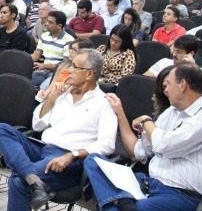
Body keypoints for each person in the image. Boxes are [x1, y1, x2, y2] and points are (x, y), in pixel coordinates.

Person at [0, 49, 117, 211]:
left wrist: (72, 155)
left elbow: (107, 145)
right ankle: (35, 181)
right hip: (43, 147)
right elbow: (37, 125)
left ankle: (30, 178)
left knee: (18, 181)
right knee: (1, 129)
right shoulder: (62, 93)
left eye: (74, 67)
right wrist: (51, 97)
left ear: (89, 74)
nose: (68, 71)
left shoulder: (103, 103)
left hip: (68, 160)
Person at [83, 63, 202, 211]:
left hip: (180, 194)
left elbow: (164, 145)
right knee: (93, 160)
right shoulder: (171, 112)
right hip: (149, 183)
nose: (165, 91)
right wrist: (144, 132)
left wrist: (147, 121)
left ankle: (120, 202)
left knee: (127, 206)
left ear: (182, 85)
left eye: (168, 85)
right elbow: (142, 152)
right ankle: (122, 201)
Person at [0, 4, 31, 86]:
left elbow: (14, 57)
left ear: (13, 15)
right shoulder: (2, 30)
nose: (1, 15)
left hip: (8, 63)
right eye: (1, 13)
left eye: (4, 13)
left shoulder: (20, 33)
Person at [31, 11, 75, 89]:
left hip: (59, 73)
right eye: (47, 21)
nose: (46, 23)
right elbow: (36, 55)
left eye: (50, 22)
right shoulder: (44, 36)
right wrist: (25, 59)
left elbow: (65, 65)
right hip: (43, 70)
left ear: (59, 26)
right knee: (29, 85)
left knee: (43, 88)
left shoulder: (69, 40)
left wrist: (45, 65)